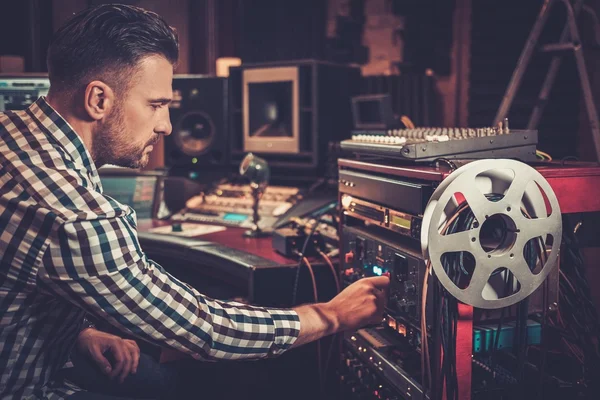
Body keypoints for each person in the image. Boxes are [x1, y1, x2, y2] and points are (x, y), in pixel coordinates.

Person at [0, 4, 390, 400]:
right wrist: (330, 315)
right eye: (156, 105)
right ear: (98, 99)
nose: (166, 125)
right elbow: (203, 330)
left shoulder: (12, 137)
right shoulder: (72, 213)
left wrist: (77, 331)